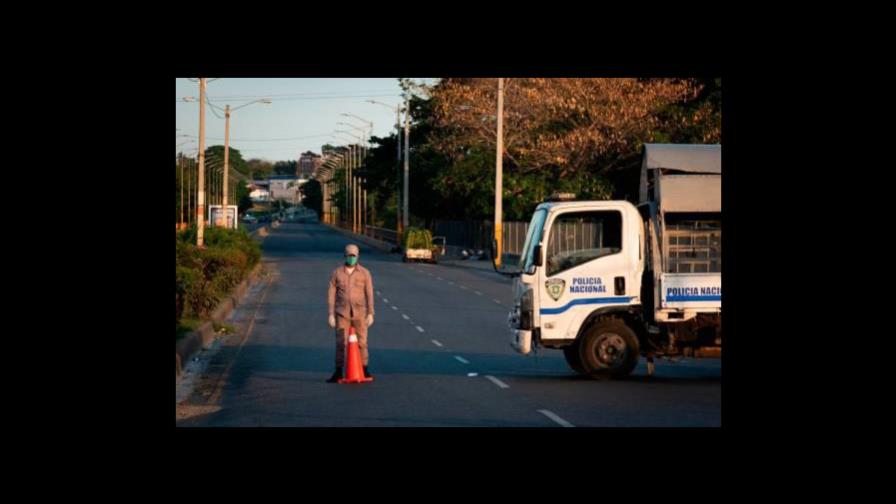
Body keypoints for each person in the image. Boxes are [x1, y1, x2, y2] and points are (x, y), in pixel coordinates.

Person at [326, 243, 375, 382]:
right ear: (345, 256)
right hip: (342, 313)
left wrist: (371, 313)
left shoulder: (365, 273)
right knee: (340, 343)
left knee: (362, 342)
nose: (352, 258)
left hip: (360, 312)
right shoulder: (337, 273)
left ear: (358, 256)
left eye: (354, 256)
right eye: (349, 255)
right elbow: (331, 294)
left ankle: (364, 369)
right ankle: (338, 371)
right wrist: (330, 314)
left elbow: (369, 293)